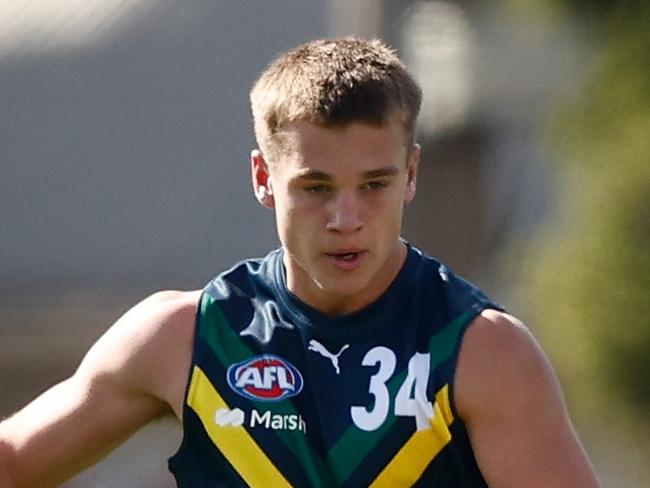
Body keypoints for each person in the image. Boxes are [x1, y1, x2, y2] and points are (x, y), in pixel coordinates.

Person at [0, 37, 600, 487]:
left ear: (411, 175)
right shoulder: (186, 337)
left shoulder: (482, 353)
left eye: (374, 185)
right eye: (316, 187)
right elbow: (18, 458)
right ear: (264, 178)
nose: (346, 218)